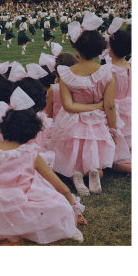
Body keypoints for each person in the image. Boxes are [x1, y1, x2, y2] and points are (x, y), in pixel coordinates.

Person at [0, 89, 85, 244]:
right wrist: (73, 208)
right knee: (58, 204)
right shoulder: (30, 153)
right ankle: (69, 227)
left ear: (4, 125)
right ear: (31, 131)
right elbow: (60, 187)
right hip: (23, 204)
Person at [49, 12, 116, 196]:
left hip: (71, 123)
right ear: (98, 50)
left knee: (71, 159)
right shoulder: (106, 73)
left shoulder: (67, 74)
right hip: (96, 124)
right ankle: (94, 172)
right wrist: (112, 128)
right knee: (96, 159)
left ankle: (76, 176)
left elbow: (68, 106)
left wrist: (87, 107)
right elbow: (109, 106)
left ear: (77, 50)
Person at [107, 22, 132, 173]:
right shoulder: (130, 66)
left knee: (113, 159)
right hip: (128, 108)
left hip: (115, 113)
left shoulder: (109, 70)